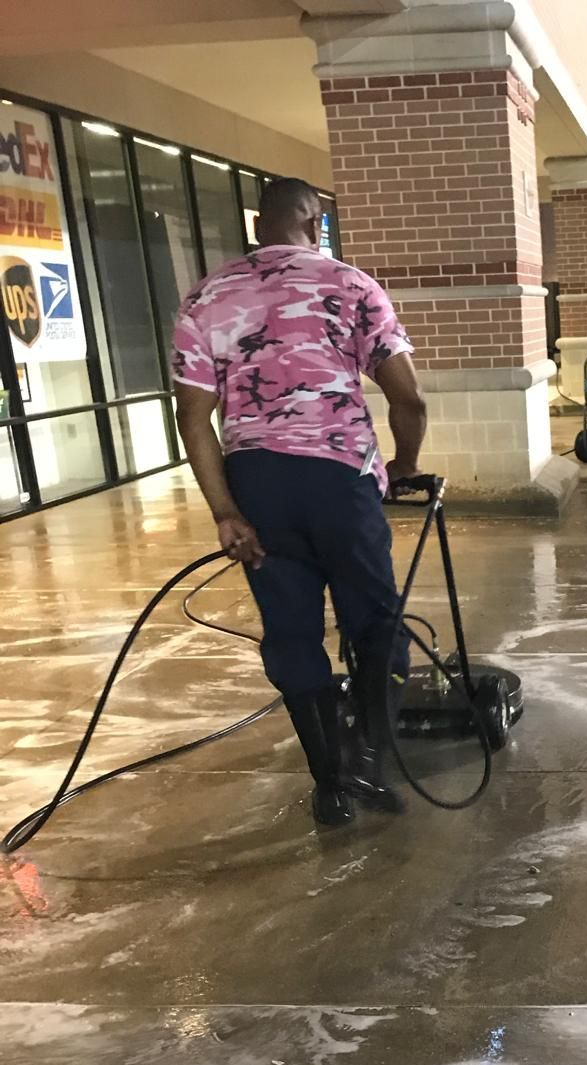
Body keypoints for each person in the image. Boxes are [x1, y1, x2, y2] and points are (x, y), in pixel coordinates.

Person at [171, 176, 427, 828]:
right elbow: (408, 399)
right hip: (341, 481)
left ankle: (330, 786)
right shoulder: (351, 285)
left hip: (257, 486)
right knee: (376, 624)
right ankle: (370, 762)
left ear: (258, 224)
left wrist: (226, 513)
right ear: (315, 225)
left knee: (291, 635)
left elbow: (192, 418)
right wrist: (404, 466)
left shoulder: (206, 296)